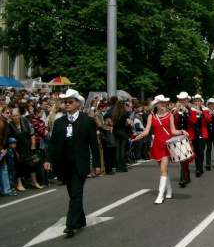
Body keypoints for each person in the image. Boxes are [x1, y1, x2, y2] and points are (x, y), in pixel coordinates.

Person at [44, 89, 101, 237]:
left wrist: (97, 164)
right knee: (72, 194)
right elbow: (53, 143)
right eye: (65, 102)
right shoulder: (59, 122)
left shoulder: (87, 121)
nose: (67, 104)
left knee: (76, 193)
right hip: (64, 164)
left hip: (80, 164)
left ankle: (70, 224)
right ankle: (80, 219)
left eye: (70, 102)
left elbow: (93, 144)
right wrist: (48, 159)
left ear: (77, 104)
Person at [134, 95, 188, 204]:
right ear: (156, 105)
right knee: (163, 170)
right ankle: (169, 189)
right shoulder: (151, 116)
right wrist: (140, 135)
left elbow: (173, 131)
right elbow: (146, 131)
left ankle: (160, 194)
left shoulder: (170, 116)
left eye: (165, 102)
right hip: (157, 144)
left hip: (166, 145)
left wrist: (182, 131)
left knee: (163, 168)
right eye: (161, 103)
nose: (164, 104)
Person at [8, 107, 44, 190]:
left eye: (16, 115)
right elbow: (10, 139)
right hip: (18, 148)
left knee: (32, 164)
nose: (15, 118)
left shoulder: (24, 120)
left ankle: (34, 182)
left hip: (28, 146)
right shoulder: (10, 125)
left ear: (19, 115)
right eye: (13, 116)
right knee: (19, 166)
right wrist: (15, 151)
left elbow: (32, 132)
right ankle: (19, 184)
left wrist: (33, 144)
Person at [111, 100, 132, 173]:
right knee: (123, 149)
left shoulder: (115, 113)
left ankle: (118, 167)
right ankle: (123, 167)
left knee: (117, 149)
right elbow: (128, 122)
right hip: (124, 131)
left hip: (116, 131)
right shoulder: (125, 113)